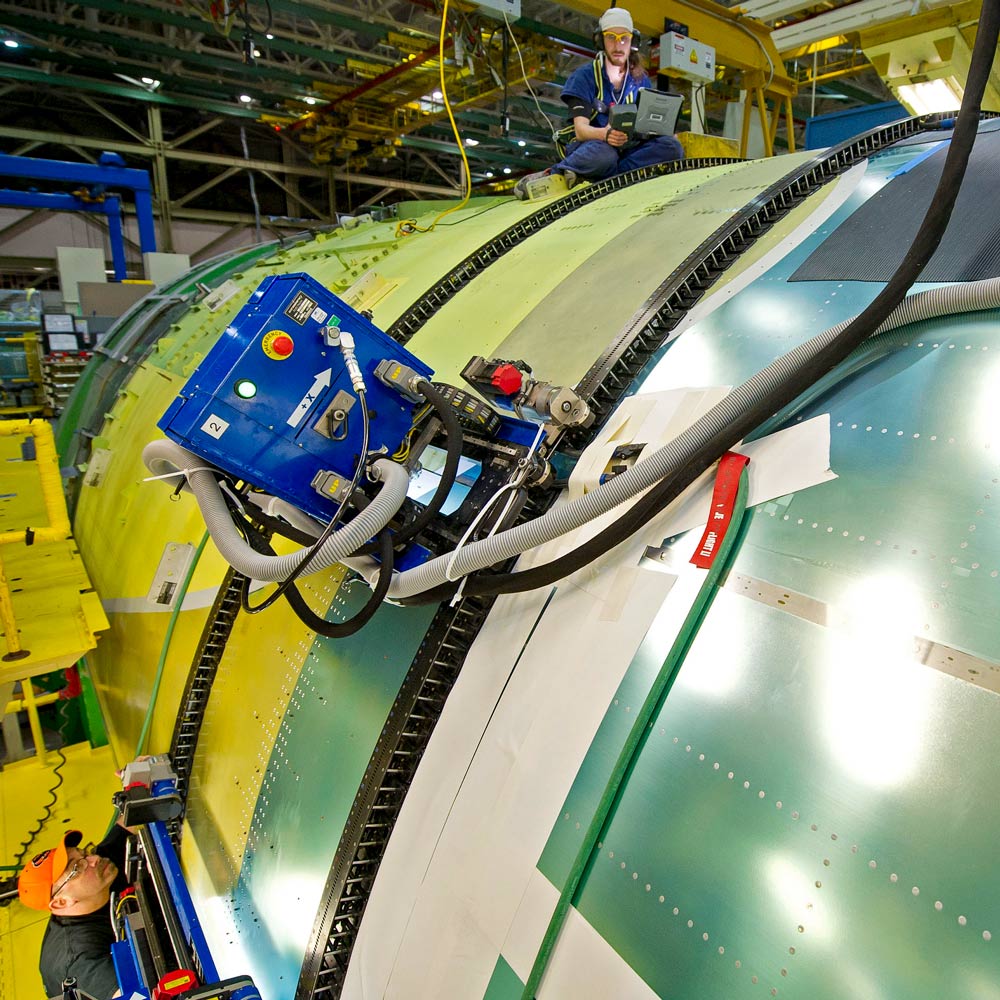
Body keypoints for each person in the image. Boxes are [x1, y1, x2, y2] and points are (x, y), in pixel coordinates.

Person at [514, 6, 683, 199]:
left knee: (672, 147)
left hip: (627, 149)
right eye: (611, 37)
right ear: (600, 40)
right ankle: (556, 173)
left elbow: (646, 124)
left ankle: (610, 178)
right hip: (594, 145)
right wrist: (606, 134)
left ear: (632, 42)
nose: (618, 45)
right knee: (604, 155)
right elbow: (581, 130)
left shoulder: (639, 80)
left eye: (624, 38)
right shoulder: (584, 77)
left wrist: (663, 131)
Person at [18, 824, 129, 999]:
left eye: (84, 853)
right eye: (77, 867)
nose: (94, 859)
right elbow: (136, 996)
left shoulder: (98, 872)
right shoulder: (79, 960)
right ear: (61, 902)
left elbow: (130, 821)